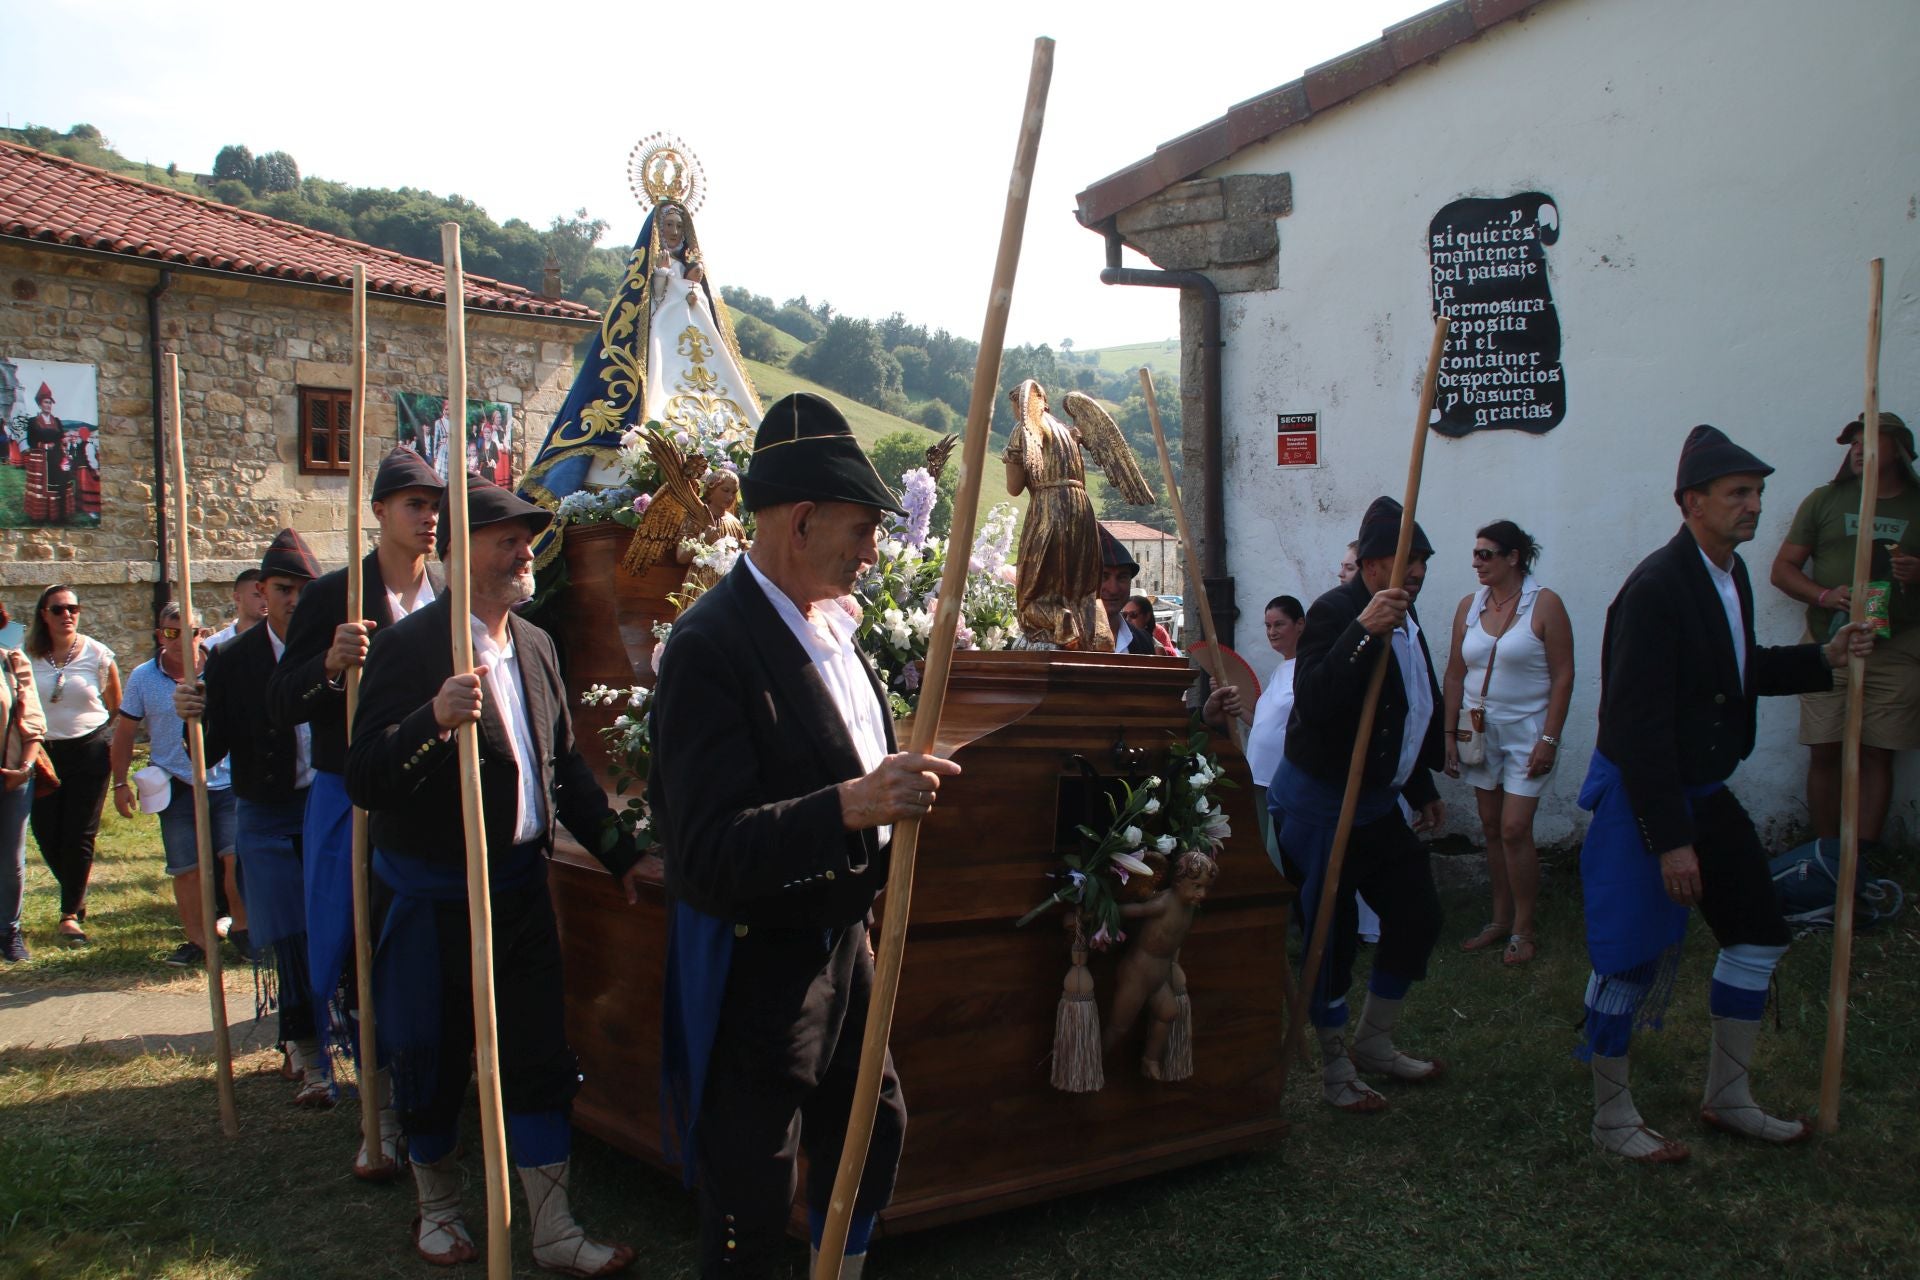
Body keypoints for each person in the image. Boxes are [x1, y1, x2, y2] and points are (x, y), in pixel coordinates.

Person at [651, 392, 961, 1279]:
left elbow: (854, 762)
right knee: (753, 1184)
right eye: (862, 531)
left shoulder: (832, 627)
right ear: (800, 521)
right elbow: (708, 852)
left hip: (842, 948)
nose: (875, 551)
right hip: (760, 971)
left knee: (874, 1128)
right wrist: (853, 808)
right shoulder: (710, 647)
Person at [347, 470, 644, 1273]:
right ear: (458, 550)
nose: (524, 550)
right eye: (505, 537)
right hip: (432, 900)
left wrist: (619, 854)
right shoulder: (412, 648)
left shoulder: (538, 645)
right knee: (432, 1056)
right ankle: (437, 1209)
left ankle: (550, 1227)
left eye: (528, 538)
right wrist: (432, 720)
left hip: (518, 893)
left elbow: (564, 771)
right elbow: (366, 776)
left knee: (540, 1056)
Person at [1577, 425, 1872, 1164]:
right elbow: (1636, 725)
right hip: (1648, 796)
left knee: (1758, 932)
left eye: (1758, 493)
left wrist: (1823, 658)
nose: (1755, 506)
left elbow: (1732, 669)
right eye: (1739, 493)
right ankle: (1612, 1118)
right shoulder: (1655, 589)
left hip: (1706, 788)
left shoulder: (1731, 573)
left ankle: (1728, 1095)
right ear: (1692, 502)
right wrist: (1671, 838)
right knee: (1626, 957)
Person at [267, 449, 444, 1152]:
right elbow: (282, 703)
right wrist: (330, 664)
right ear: (378, 512)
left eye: (435, 506)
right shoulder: (334, 596)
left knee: (417, 950)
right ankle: (382, 1108)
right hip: (352, 794)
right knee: (358, 947)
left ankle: (423, 1085)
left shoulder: (449, 596)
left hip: (430, 800)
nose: (428, 518)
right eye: (414, 504)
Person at [1270, 497, 1446, 1114]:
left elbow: (1409, 703)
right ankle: (1336, 1061)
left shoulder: (1411, 611)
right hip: (1322, 805)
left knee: (1418, 914)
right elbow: (1315, 700)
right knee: (1330, 932)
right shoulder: (1334, 612)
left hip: (1376, 802)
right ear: (1372, 564)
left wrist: (1419, 784)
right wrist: (1362, 631)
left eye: (1422, 559)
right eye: (1406, 560)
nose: (1418, 571)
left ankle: (1375, 1041)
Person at [179, 532, 341, 1110]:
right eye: (282, 589)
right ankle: (307, 1048)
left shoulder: (341, 648)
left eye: (304, 589)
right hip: (266, 812)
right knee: (290, 933)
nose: (295, 600)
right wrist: (192, 718)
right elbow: (209, 747)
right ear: (260, 594)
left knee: (336, 925)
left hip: (327, 803)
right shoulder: (232, 660)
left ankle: (344, 1035)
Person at [519, 190, 761, 569]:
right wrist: (664, 276)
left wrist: (693, 281)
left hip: (695, 333)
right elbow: (652, 297)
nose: (673, 231)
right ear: (655, 229)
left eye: (679, 226)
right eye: (667, 225)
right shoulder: (653, 268)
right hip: (659, 334)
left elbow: (699, 298)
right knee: (654, 395)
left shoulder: (690, 264)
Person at [1768, 411, 1920, 848]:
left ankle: (1863, 859)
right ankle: (1828, 854)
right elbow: (1782, 569)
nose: (1857, 449)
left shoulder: (1917, 503)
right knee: (1825, 749)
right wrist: (1823, 595)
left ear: (1900, 450)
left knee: (1877, 753)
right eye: (1853, 442)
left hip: (1896, 648)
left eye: (1868, 441)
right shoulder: (1826, 501)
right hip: (1828, 642)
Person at [1441, 520, 1574, 965]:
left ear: (1513, 557)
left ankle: (1524, 927)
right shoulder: (1469, 606)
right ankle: (1499, 920)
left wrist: (1550, 738)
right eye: (1475, 554)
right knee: (1492, 827)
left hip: (1527, 732)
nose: (1476, 562)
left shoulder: (1545, 604)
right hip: (1479, 729)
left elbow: (1563, 676)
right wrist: (1448, 735)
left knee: (1516, 828)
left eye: (1485, 554)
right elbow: (1456, 673)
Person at [111, 603, 242, 968]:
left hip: (227, 780)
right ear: (159, 635)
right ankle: (199, 941)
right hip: (177, 783)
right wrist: (119, 783)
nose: (179, 639)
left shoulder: (222, 667)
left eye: (189, 631)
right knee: (186, 868)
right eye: (170, 632)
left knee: (235, 860)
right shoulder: (142, 677)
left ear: (202, 633)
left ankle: (244, 931)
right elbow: (124, 733)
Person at [26, 584, 120, 945]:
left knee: (80, 833)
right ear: (43, 615)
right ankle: (75, 893)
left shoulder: (98, 654)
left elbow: (115, 703)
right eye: (58, 609)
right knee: (47, 832)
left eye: (73, 609)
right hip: (44, 755)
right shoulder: (29, 656)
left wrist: (97, 738)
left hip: (90, 751)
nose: (67, 615)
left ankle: (69, 914)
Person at [1245, 595, 1305, 861]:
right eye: (1268, 626)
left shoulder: (1307, 668)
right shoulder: (1280, 669)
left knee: (1279, 852)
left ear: (1300, 624)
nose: (1271, 632)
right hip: (1259, 775)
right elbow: (1265, 724)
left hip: (1282, 779)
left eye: (1279, 624)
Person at [2, 614, 46, 961]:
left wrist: (25, 767)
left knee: (9, 859)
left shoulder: (10, 657)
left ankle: (8, 932)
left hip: (11, 774)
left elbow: (32, 722)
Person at [674, 468, 747, 594]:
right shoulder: (695, 518)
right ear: (711, 489)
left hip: (728, 586)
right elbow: (681, 557)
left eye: (734, 492)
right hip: (701, 582)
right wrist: (703, 541)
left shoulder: (735, 524)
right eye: (725, 490)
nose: (730, 497)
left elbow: (741, 554)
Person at [22, 384, 68, 524]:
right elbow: (30, 441)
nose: (48, 405)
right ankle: (41, 515)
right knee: (42, 487)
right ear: (40, 404)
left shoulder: (57, 421)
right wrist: (44, 446)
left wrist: (64, 441)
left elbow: (60, 437)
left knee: (58, 485)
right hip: (40, 458)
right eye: (45, 402)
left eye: (50, 403)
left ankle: (58, 516)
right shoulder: (33, 422)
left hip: (56, 458)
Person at [204, 569, 267, 652]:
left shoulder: (282, 642)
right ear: (237, 598)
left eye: (267, 594)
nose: (265, 601)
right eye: (257, 595)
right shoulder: (212, 645)